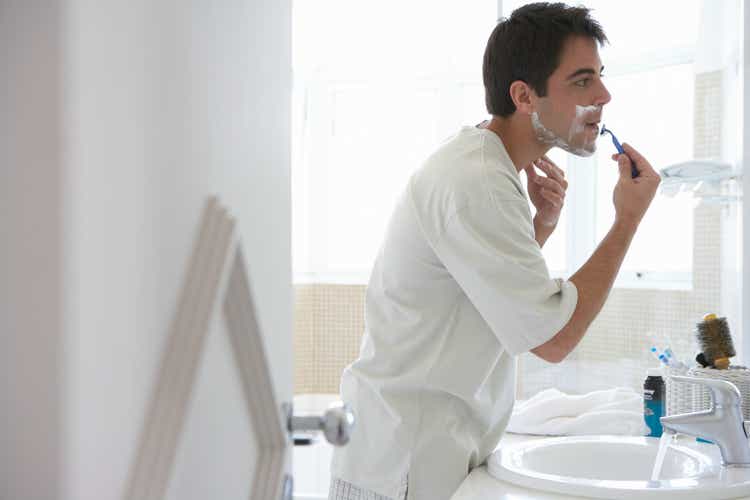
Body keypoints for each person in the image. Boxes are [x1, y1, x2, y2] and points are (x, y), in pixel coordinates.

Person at [328, 3, 661, 499]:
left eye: (601, 77)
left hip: (412, 451)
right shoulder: (478, 180)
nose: (604, 95)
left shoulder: (482, 164)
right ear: (525, 96)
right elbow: (554, 339)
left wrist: (537, 231)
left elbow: (477, 290)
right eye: (582, 80)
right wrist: (627, 218)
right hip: (406, 464)